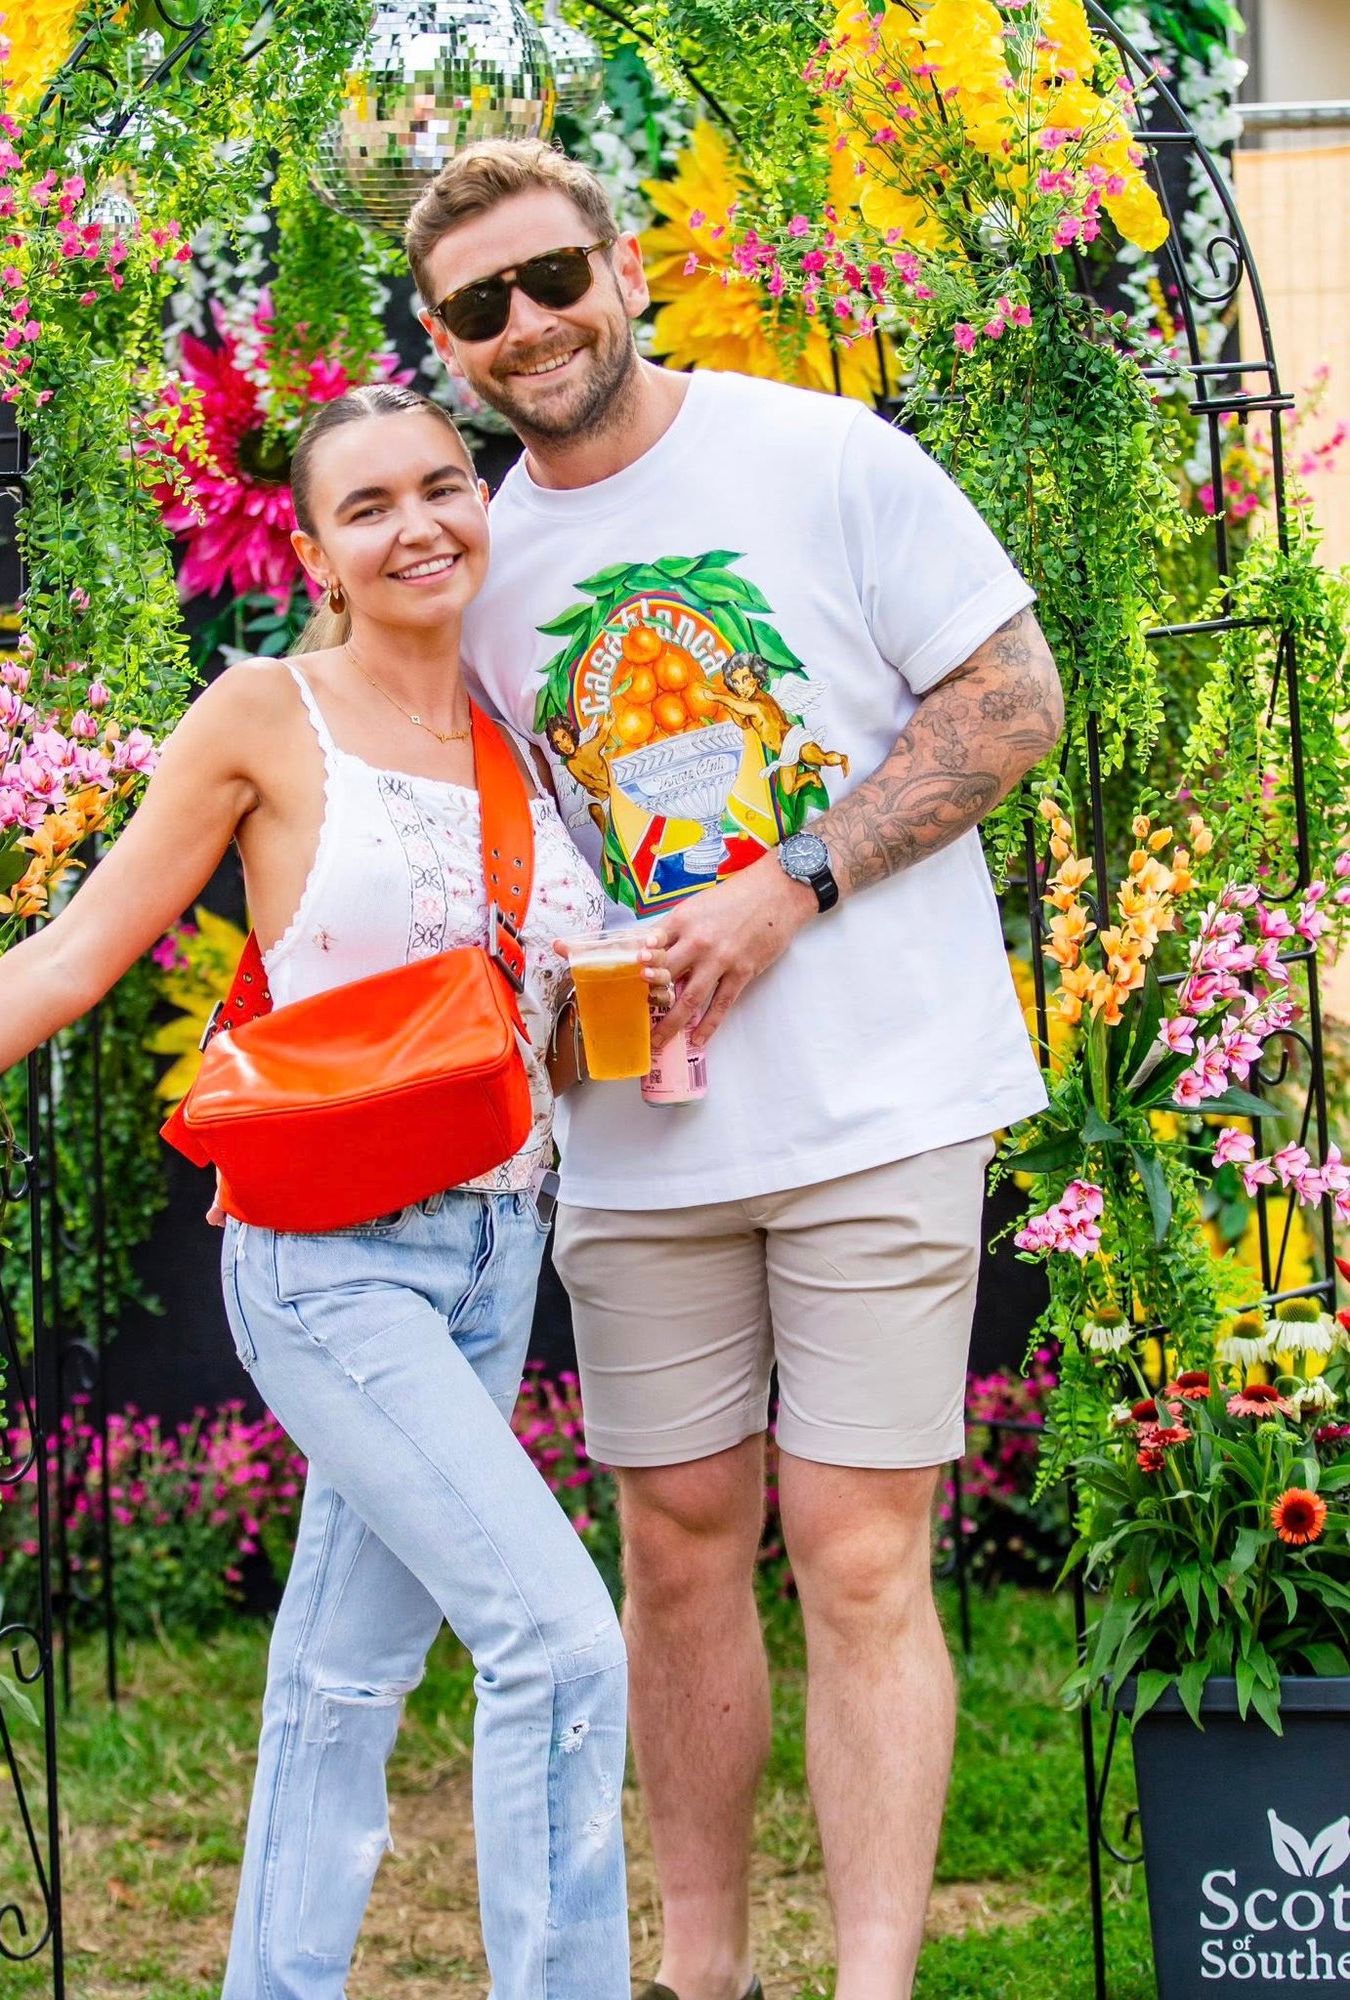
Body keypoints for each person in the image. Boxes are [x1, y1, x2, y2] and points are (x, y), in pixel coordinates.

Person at [0, 384, 644, 2000]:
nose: (419, 525)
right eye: (368, 506)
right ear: (313, 553)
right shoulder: (264, 713)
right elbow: (75, 956)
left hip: (499, 1244)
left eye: (444, 485)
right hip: (332, 1258)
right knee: (562, 1644)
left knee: (344, 1679)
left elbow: (552, 1024)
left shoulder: (528, 725)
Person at [405, 141, 1065, 2000]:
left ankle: (872, 1986)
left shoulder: (824, 456)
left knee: (857, 1555)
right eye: (479, 307)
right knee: (678, 1549)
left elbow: (1015, 699)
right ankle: (701, 1977)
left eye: (553, 278)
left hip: (879, 1101)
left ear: (622, 268)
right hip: (637, 1135)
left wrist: (792, 885)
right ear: (446, 345)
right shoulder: (476, 568)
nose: (529, 325)